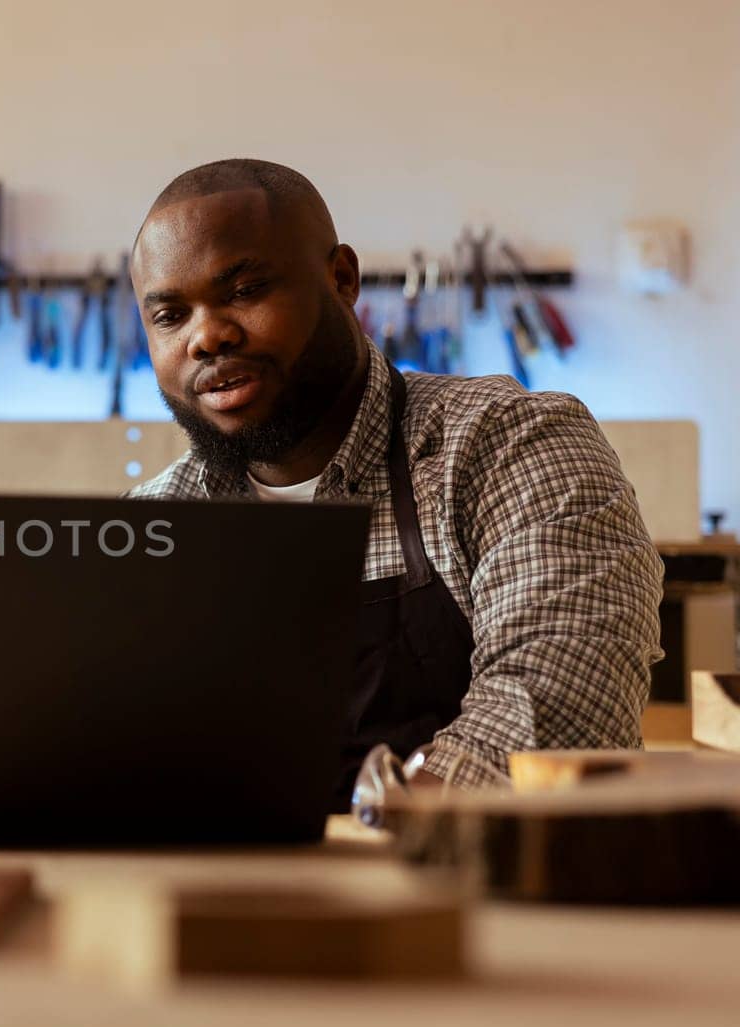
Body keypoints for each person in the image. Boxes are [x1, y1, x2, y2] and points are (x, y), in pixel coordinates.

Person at [126, 158, 663, 802]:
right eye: (170, 316)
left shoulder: (505, 445)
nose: (206, 336)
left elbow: (560, 704)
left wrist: (374, 837)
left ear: (343, 280)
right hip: (247, 896)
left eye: (245, 291)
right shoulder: (156, 521)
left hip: (488, 892)